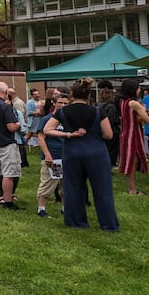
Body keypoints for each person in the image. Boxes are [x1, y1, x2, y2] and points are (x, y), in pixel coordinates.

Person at [44, 80, 119, 232]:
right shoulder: (98, 111)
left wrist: (68, 134)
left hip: (72, 152)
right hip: (96, 153)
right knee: (102, 189)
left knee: (73, 188)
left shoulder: (63, 111)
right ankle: (109, 225)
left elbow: (47, 130)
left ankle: (76, 222)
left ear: (72, 94)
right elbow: (109, 134)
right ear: (89, 94)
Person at [35, 90, 70, 218]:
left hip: (67, 157)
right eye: (60, 102)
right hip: (53, 157)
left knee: (66, 185)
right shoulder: (47, 119)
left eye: (66, 103)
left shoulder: (70, 120)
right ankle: (41, 209)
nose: (63, 105)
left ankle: (66, 208)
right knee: (48, 184)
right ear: (54, 104)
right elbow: (41, 138)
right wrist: (47, 155)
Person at [115, 78, 149, 195]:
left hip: (125, 133)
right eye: (138, 87)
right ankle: (132, 189)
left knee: (130, 160)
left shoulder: (122, 101)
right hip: (134, 134)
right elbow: (148, 120)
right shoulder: (134, 103)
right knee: (133, 161)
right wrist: (146, 111)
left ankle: (131, 187)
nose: (140, 90)